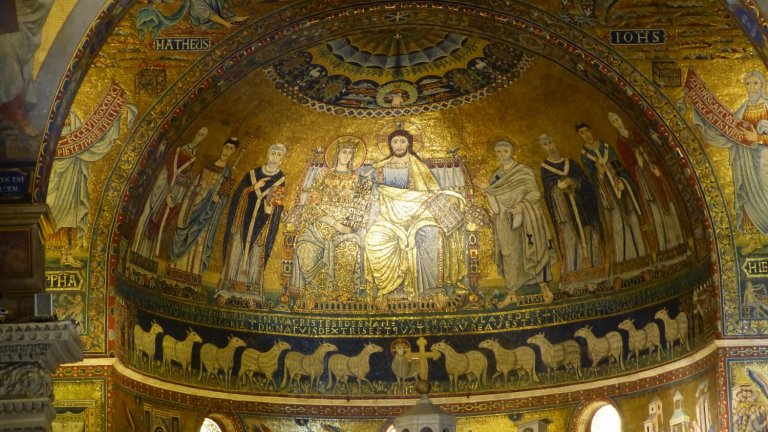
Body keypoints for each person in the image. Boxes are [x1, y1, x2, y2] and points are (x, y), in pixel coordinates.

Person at [363, 127, 466, 301]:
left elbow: (432, 191)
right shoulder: (379, 168)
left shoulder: (419, 166)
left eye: (402, 141)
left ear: (409, 144)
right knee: (372, 239)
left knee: (433, 234)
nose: (399, 145)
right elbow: (369, 193)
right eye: (395, 142)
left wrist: (448, 197)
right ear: (390, 145)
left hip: (419, 215)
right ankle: (387, 289)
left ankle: (433, 290)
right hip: (388, 218)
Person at [692, 70, 768, 255]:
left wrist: (758, 138)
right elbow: (728, 130)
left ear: (762, 85)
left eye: (755, 83)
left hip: (764, 161)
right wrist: (701, 110)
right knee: (748, 195)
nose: (751, 87)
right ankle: (755, 239)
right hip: (745, 161)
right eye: (748, 84)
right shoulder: (743, 109)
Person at [292, 139, 368, 303]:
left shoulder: (357, 180)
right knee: (305, 248)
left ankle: (342, 294)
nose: (347, 156)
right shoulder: (323, 176)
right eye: (343, 152)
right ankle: (316, 294)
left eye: (350, 153)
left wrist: (349, 227)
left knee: (350, 246)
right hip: (320, 228)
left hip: (345, 231)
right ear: (337, 154)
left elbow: (360, 211)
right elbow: (312, 206)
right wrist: (334, 223)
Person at [483, 140, 553, 306]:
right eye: (498, 151)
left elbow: (535, 194)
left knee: (533, 249)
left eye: (505, 151)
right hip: (504, 221)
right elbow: (495, 208)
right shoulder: (495, 177)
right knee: (508, 254)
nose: (502, 155)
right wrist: (488, 191)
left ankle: (544, 288)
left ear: (512, 151)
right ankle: (511, 293)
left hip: (527, 217)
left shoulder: (523, 171)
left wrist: (521, 206)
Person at [608, 112, 685, 258]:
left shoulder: (636, 134)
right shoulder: (620, 142)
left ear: (621, 119)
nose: (616, 122)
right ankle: (664, 249)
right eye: (613, 122)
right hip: (643, 178)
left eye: (617, 119)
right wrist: (637, 162)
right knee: (654, 209)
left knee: (667, 203)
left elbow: (651, 149)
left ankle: (680, 244)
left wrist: (649, 161)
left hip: (653, 171)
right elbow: (629, 163)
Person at [577, 122, 647, 274]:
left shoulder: (606, 147)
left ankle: (643, 263)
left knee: (632, 222)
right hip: (607, 196)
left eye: (587, 131)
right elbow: (590, 179)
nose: (586, 135)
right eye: (582, 133)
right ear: (579, 136)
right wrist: (599, 173)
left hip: (621, 190)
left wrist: (622, 181)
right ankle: (620, 267)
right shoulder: (585, 155)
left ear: (591, 130)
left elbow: (619, 167)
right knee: (616, 226)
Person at [166, 137, 238, 283]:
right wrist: (201, 188)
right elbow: (193, 186)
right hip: (193, 207)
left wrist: (218, 198)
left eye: (231, 149)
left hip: (207, 214)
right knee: (184, 232)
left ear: (233, 152)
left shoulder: (227, 173)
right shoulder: (207, 166)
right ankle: (174, 274)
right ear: (222, 147)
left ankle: (192, 276)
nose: (227, 151)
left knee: (199, 241)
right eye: (227, 147)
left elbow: (224, 196)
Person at [131, 127, 208, 262]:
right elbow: (169, 165)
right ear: (196, 133)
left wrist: (175, 195)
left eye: (203, 136)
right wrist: (169, 183)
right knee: (150, 211)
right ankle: (136, 248)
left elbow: (185, 177)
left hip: (173, 190)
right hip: (163, 183)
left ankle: (147, 256)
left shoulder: (194, 157)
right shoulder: (180, 149)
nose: (200, 136)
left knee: (161, 219)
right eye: (199, 133)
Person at [538, 133, 604, 292]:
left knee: (588, 240)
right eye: (545, 144)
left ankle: (593, 278)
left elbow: (587, 183)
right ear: (542, 148)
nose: (549, 146)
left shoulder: (570, 163)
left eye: (550, 142)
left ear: (555, 142)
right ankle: (572, 281)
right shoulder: (545, 168)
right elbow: (548, 191)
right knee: (570, 244)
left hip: (582, 211)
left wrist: (574, 183)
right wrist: (557, 187)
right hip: (565, 215)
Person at [221, 143, 287, 295]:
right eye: (273, 153)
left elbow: (276, 203)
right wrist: (253, 187)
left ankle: (251, 290)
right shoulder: (252, 174)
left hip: (262, 224)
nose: (275, 157)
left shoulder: (280, 179)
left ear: (281, 159)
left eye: (279, 155)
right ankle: (230, 285)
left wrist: (271, 208)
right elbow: (238, 195)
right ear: (267, 154)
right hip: (243, 219)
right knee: (237, 248)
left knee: (256, 252)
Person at [0, 0, 54, 137]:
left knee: (11, 58)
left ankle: (15, 115)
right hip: (6, 18)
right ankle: (14, 115)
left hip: (13, 19)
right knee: (7, 56)